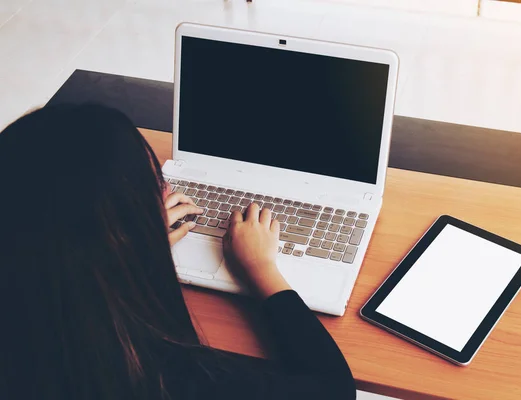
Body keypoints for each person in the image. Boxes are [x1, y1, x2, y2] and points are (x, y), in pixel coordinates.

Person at [0, 104, 355, 400]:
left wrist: (133, 248)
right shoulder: (167, 378)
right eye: (156, 182)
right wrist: (262, 268)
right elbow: (333, 390)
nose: (168, 187)